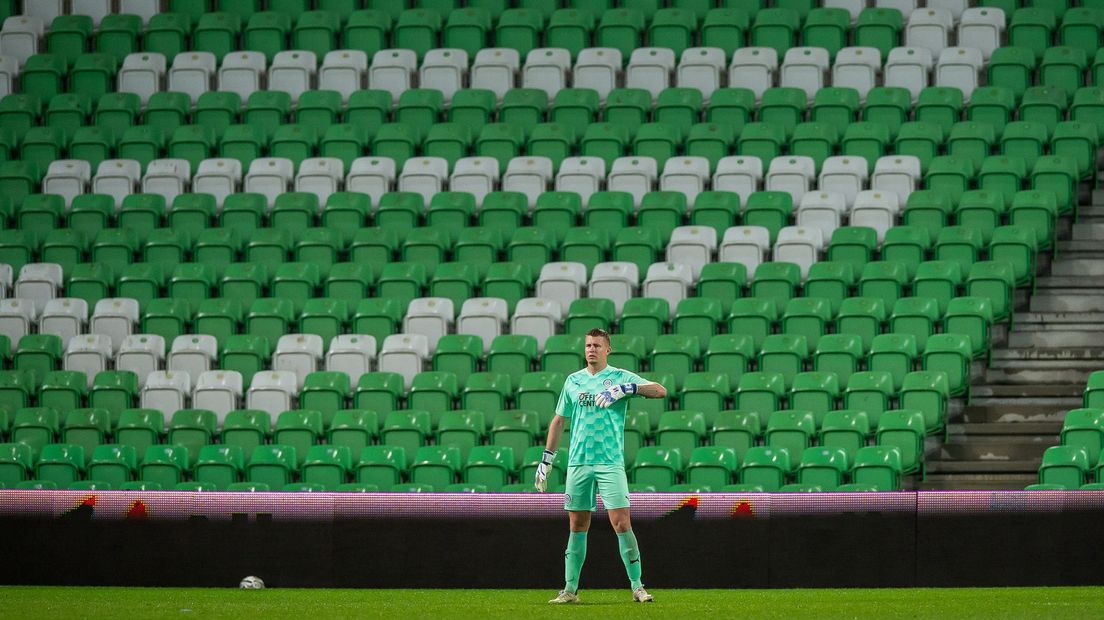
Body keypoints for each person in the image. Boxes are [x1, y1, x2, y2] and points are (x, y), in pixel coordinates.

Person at [535, 327, 668, 604]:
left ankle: (637, 586)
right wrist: (547, 459)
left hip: (610, 462)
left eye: (596, 345)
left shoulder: (619, 377)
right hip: (579, 462)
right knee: (577, 524)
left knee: (621, 523)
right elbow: (559, 421)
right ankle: (570, 590)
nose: (591, 349)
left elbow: (660, 391)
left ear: (608, 349)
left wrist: (626, 389)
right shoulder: (573, 381)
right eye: (587, 345)